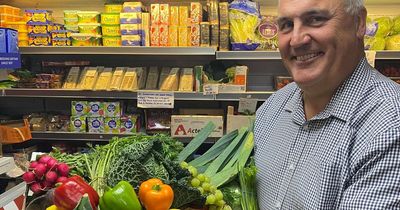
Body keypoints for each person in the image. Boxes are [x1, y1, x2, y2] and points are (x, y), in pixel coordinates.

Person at [254, 0, 400, 209]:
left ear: (359, 23)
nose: (296, 40)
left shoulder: (389, 127)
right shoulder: (271, 109)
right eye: (286, 25)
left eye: (315, 19)